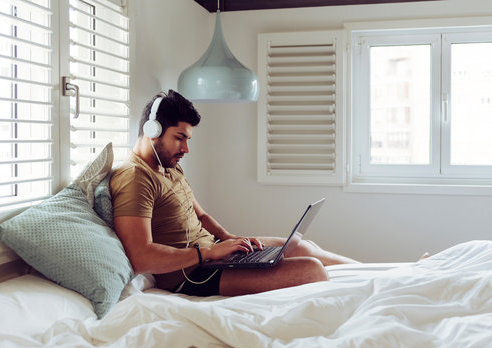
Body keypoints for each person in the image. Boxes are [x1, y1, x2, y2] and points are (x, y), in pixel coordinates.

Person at [110, 89, 359, 297]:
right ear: (152, 131)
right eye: (179, 138)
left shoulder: (169, 167)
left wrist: (230, 239)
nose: (186, 148)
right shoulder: (134, 177)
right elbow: (141, 256)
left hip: (210, 256)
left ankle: (385, 274)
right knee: (311, 270)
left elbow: (201, 216)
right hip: (189, 276)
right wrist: (207, 253)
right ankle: (374, 284)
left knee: (302, 246)